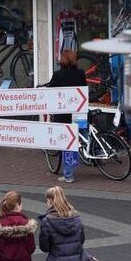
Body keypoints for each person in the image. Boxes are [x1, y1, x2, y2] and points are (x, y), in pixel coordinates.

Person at [47, 50, 87, 184]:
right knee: (82, 136)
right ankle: (93, 155)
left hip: (63, 114)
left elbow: (51, 90)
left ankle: (69, 175)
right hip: (78, 112)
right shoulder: (80, 73)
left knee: (68, 143)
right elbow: (84, 89)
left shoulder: (58, 74)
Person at [39, 186, 85, 261]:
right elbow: (81, 240)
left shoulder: (47, 221)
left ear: (49, 201)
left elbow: (45, 247)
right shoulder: (77, 218)